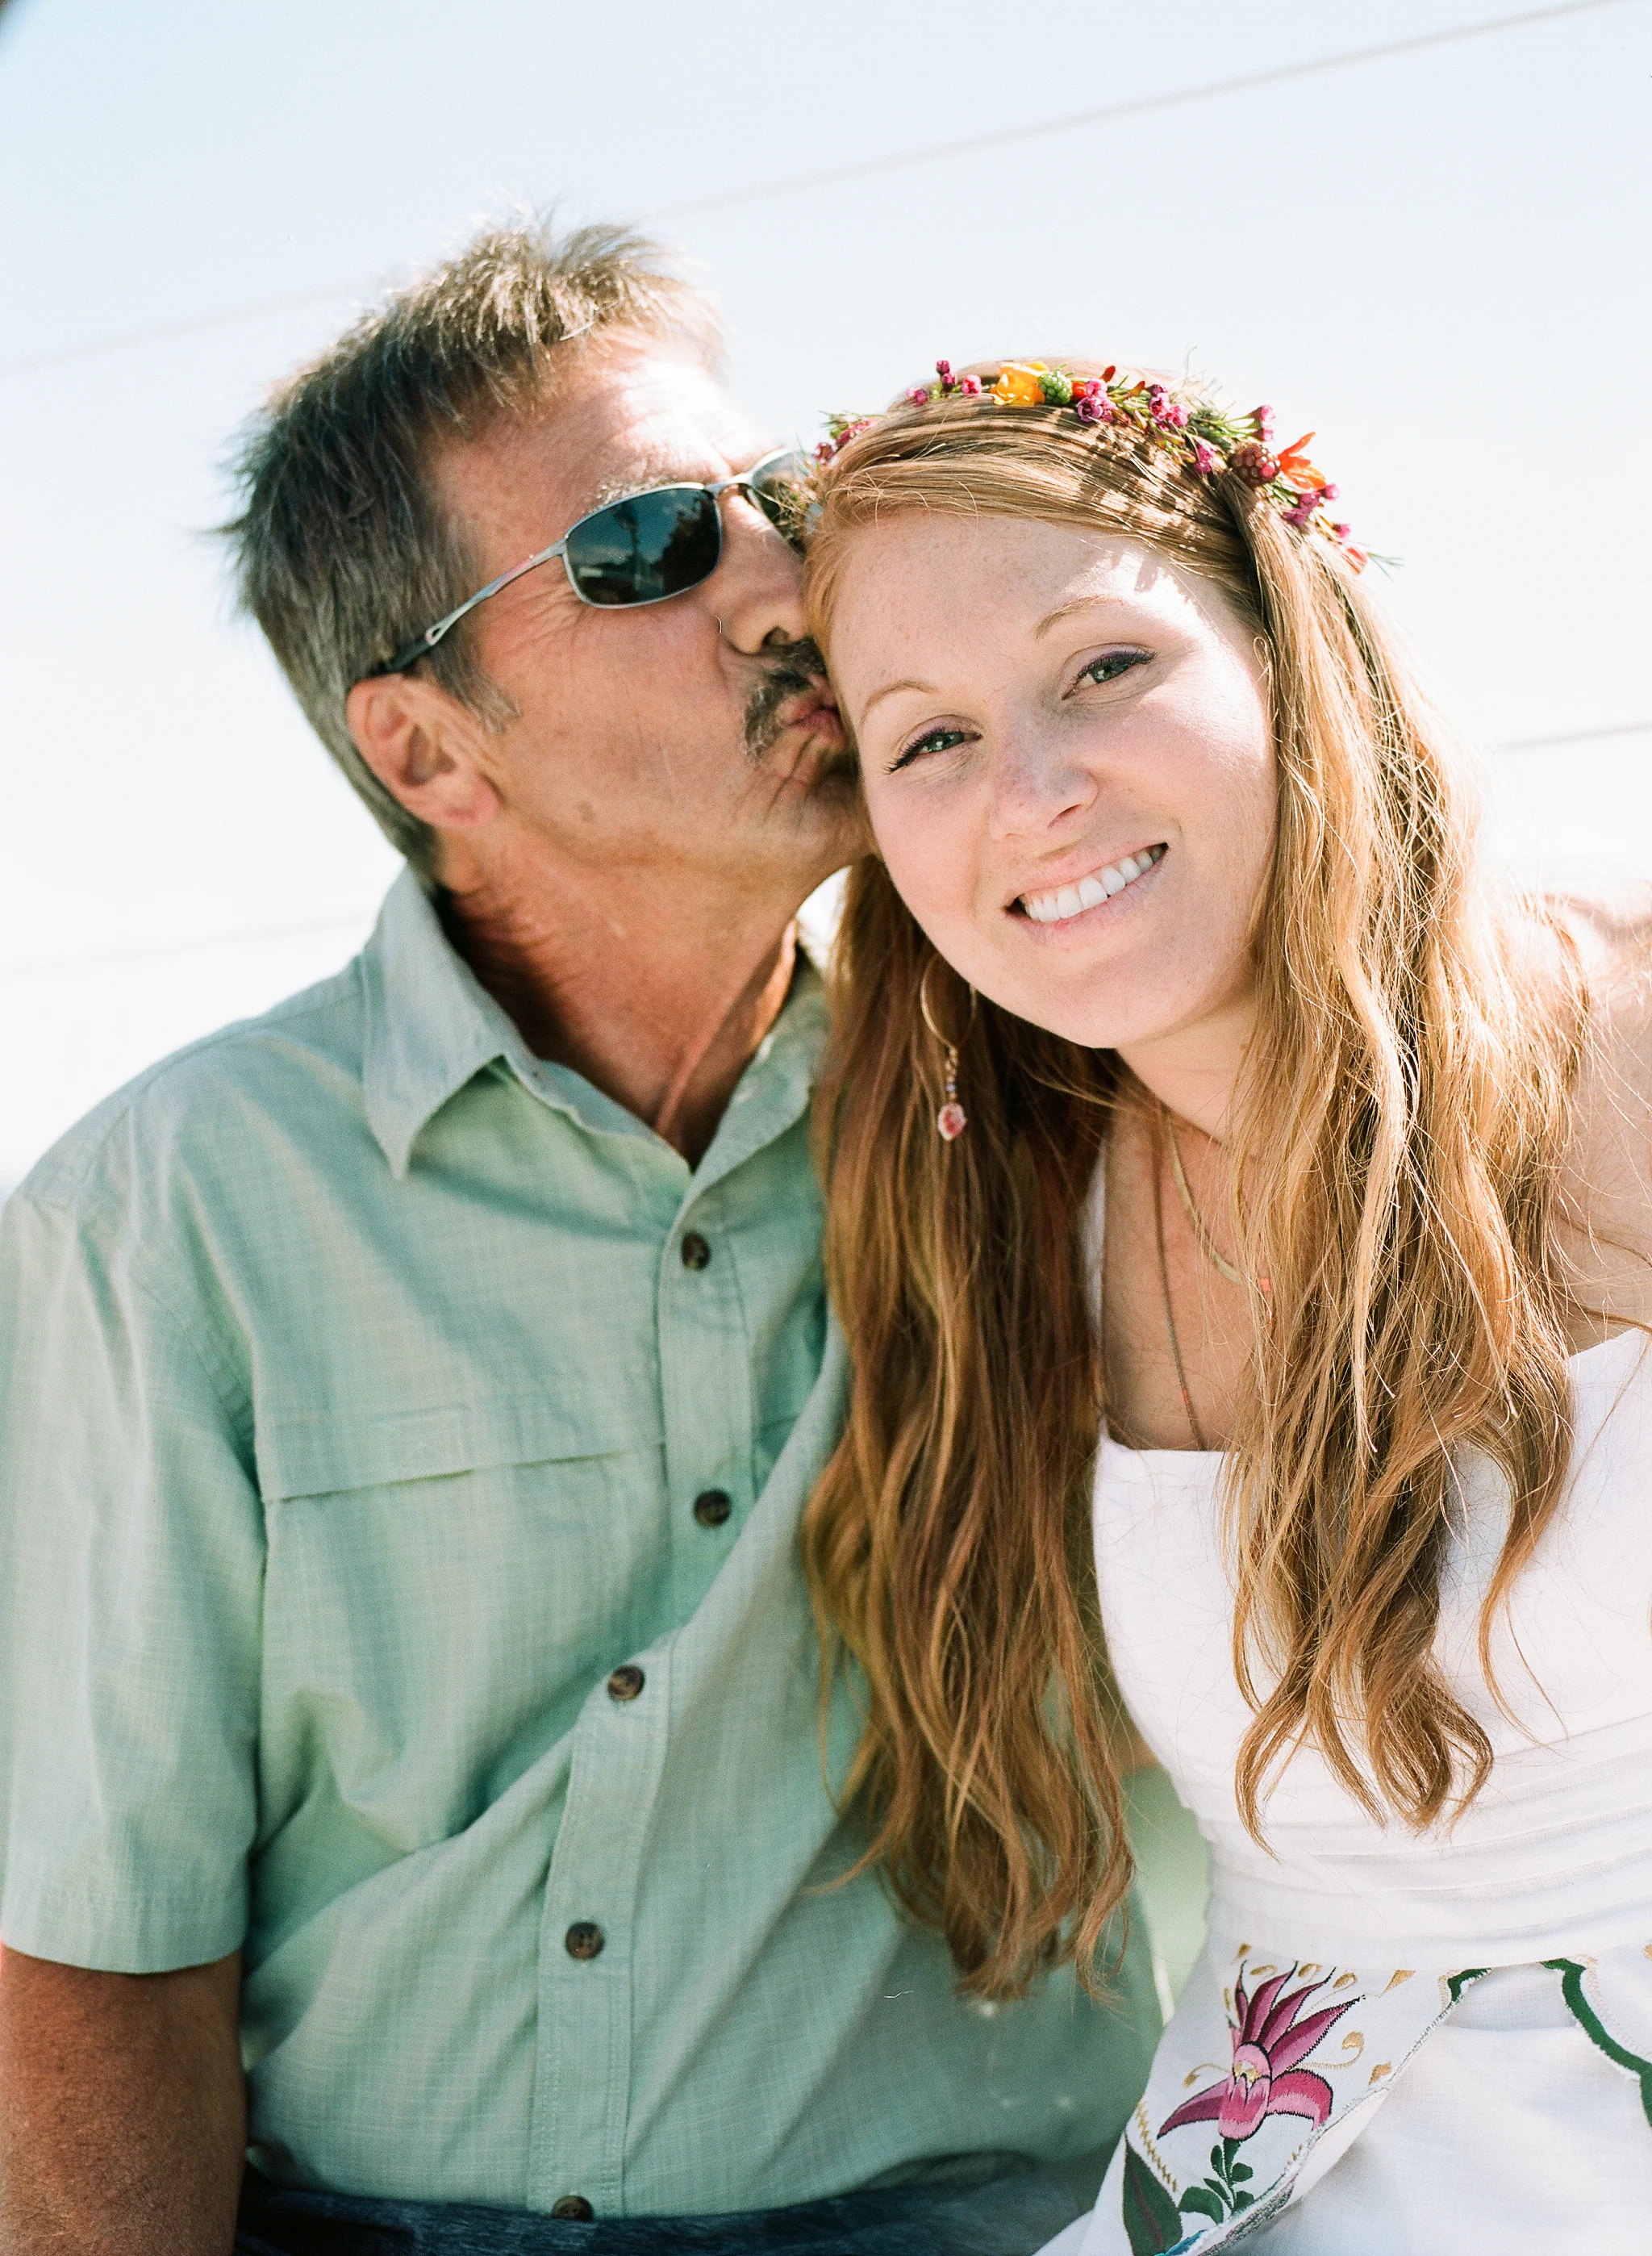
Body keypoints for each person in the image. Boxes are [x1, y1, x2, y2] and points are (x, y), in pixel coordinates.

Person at [0, 244, 1161, 2256]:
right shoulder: (167, 1208)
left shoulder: (1075, 1091)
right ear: (432, 754)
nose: (782, 589)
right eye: (643, 549)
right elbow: (92, 1960)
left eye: (770, 505)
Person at [799, 357, 1652, 2252]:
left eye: (1102, 667)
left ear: (1289, 648)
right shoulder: (1003, 1210)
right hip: (1268, 2183)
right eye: (923, 739)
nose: (1028, 793)